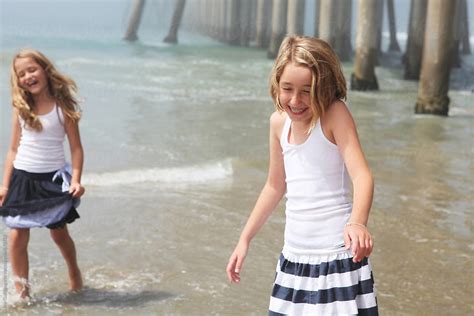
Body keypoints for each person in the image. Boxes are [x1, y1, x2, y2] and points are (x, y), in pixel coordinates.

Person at [226, 36, 378, 315]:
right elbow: (274, 186)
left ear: (325, 87)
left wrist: (358, 223)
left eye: (307, 91)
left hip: (336, 260)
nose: (295, 100)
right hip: (293, 260)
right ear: (276, 85)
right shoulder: (277, 124)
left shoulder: (334, 115)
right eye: (287, 89)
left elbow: (362, 176)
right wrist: (244, 239)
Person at [0, 49, 84, 300]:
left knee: (59, 233)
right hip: (22, 178)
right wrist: (5, 186)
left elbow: (76, 148)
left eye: (32, 69)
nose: (28, 76)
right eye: (21, 74)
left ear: (45, 70)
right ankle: (22, 292)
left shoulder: (63, 108)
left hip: (52, 180)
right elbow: (13, 150)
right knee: (16, 236)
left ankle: (74, 272)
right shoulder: (22, 108)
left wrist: (77, 179)